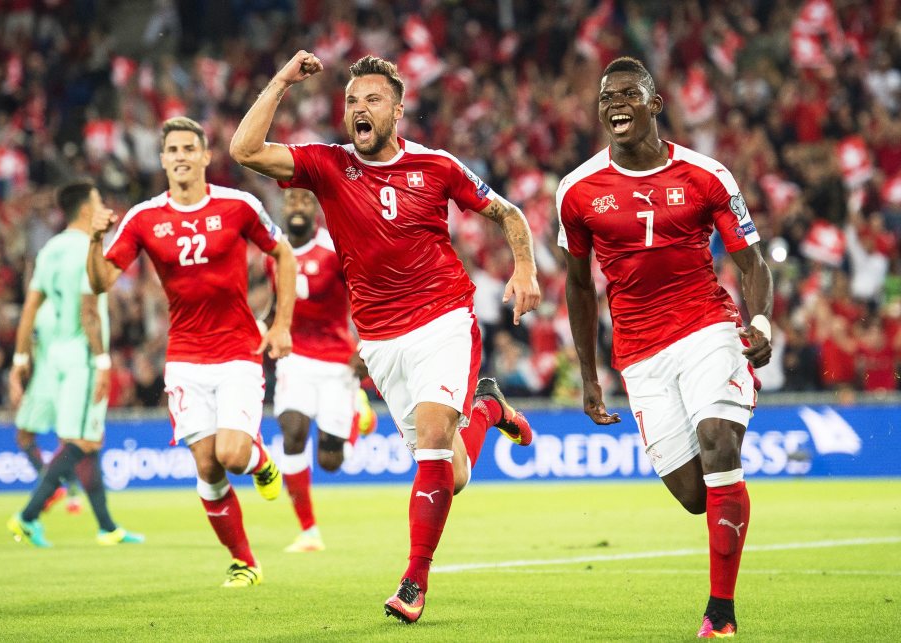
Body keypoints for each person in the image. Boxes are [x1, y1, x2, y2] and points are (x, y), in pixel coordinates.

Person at [230, 51, 541, 622]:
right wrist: (279, 81)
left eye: (372, 99)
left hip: (444, 319)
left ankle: (413, 583)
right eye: (351, 101)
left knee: (428, 446)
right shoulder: (326, 165)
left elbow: (509, 214)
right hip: (379, 340)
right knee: (451, 472)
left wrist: (523, 268)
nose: (359, 109)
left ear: (398, 110)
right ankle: (489, 412)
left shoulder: (438, 166)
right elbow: (244, 151)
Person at [556, 57, 773, 639]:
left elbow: (750, 262)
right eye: (605, 97)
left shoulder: (707, 176)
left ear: (655, 104)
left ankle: (721, 613)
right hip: (638, 351)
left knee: (718, 443)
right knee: (695, 496)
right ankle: (726, 507)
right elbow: (579, 286)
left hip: (707, 325)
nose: (615, 103)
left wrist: (760, 322)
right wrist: (589, 373)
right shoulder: (576, 191)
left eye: (628, 93)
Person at [86, 116, 297, 588]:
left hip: (239, 351)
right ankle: (245, 562)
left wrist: (281, 324)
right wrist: (95, 238)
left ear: (205, 156)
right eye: (172, 150)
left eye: (189, 148)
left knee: (233, 454)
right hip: (184, 358)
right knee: (207, 465)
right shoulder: (144, 218)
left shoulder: (238, 205)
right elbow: (100, 281)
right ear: (162, 160)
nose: (180, 156)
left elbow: (282, 253)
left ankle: (259, 459)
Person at [6, 179, 144, 548]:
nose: (102, 205)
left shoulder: (49, 249)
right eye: (98, 200)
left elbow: (31, 306)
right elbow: (88, 309)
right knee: (83, 439)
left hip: (52, 356)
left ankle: (107, 527)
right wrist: (102, 360)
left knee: (89, 441)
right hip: (82, 356)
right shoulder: (88, 248)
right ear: (86, 209)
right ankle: (28, 516)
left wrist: (19, 359)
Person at [262, 187, 371, 553]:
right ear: (283, 207)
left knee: (330, 461)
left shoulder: (334, 250)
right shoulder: (273, 253)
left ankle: (357, 407)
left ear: (315, 210)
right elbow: (278, 302)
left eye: (306, 201)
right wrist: (261, 330)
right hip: (295, 355)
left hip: (337, 361)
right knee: (292, 431)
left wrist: (363, 346)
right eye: (292, 201)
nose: (297, 207)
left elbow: (363, 299)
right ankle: (308, 531)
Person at [13, 299, 83, 514]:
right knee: (67, 440)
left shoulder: (38, 307)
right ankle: (72, 494)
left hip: (44, 382)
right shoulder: (74, 303)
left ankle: (49, 486)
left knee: (25, 436)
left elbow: (28, 343)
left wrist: (17, 372)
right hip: (69, 379)